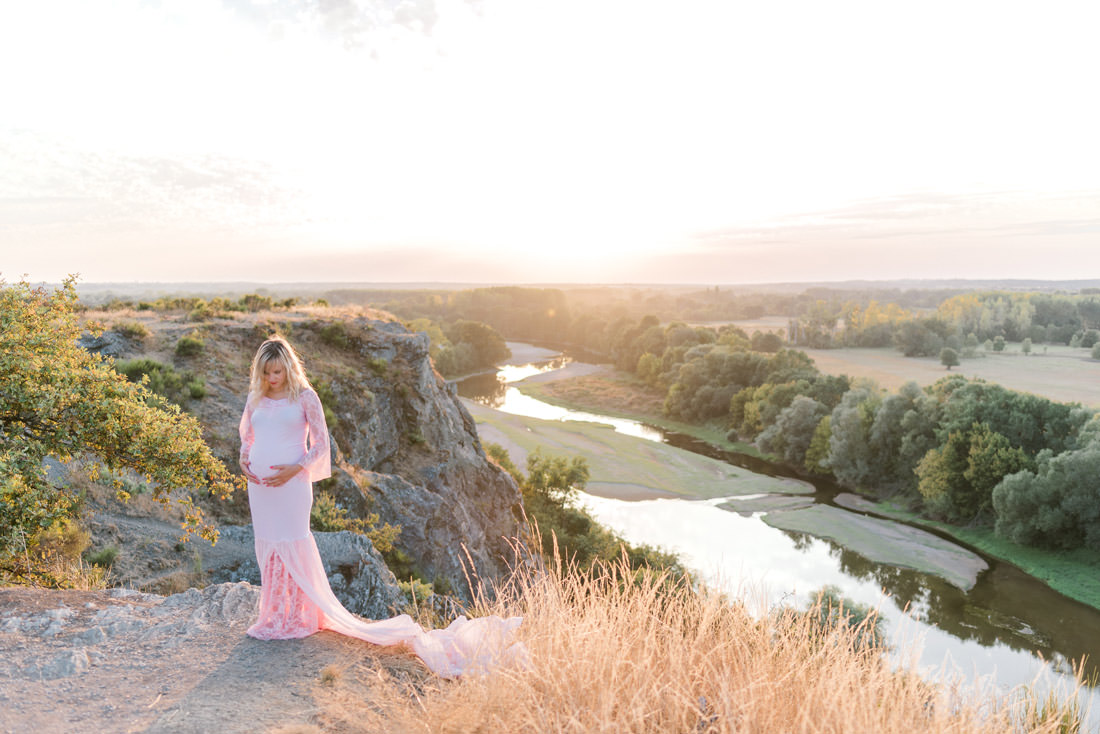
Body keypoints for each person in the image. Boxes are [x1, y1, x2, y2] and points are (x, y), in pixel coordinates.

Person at [238, 335, 527, 677]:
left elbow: (320, 446)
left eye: (278, 372)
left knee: (293, 543)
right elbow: (248, 437)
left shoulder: (305, 397)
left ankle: (298, 617)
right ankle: (273, 614)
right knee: (268, 545)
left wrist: (294, 469)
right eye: (267, 372)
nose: (273, 378)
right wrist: (244, 459)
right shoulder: (256, 397)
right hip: (261, 489)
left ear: (288, 368)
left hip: (292, 487)